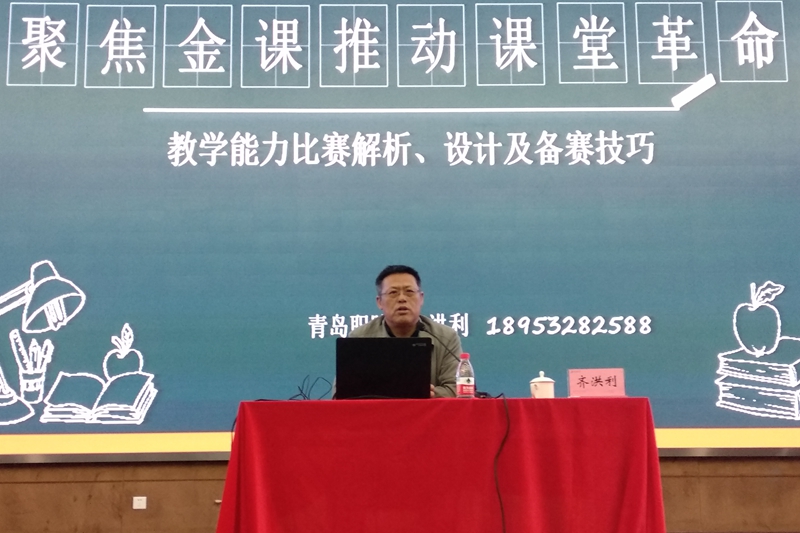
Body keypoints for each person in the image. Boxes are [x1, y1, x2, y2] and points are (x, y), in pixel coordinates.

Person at [349, 265, 461, 398]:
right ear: (379, 302)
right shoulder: (359, 338)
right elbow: (340, 394)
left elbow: (458, 389)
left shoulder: (445, 337)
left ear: (421, 298)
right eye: (393, 293)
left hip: (427, 411)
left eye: (409, 291)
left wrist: (428, 393)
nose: (402, 298)